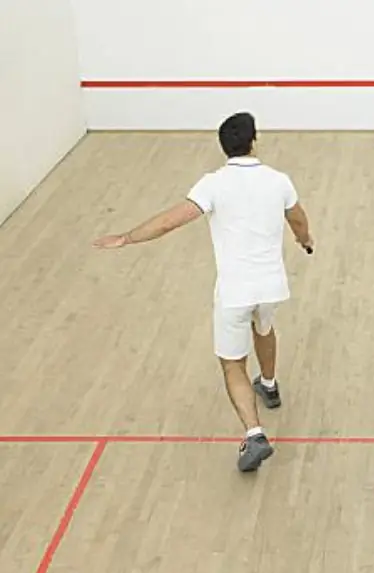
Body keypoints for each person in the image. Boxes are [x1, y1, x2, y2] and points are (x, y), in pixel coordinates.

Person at [92, 112, 313, 472]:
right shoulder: (278, 181)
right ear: (254, 141)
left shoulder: (213, 184)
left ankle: (254, 434)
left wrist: (126, 238)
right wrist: (305, 241)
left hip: (233, 292)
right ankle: (270, 385)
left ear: (224, 148)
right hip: (271, 285)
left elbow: (168, 221)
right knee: (264, 326)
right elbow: (299, 220)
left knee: (232, 364)